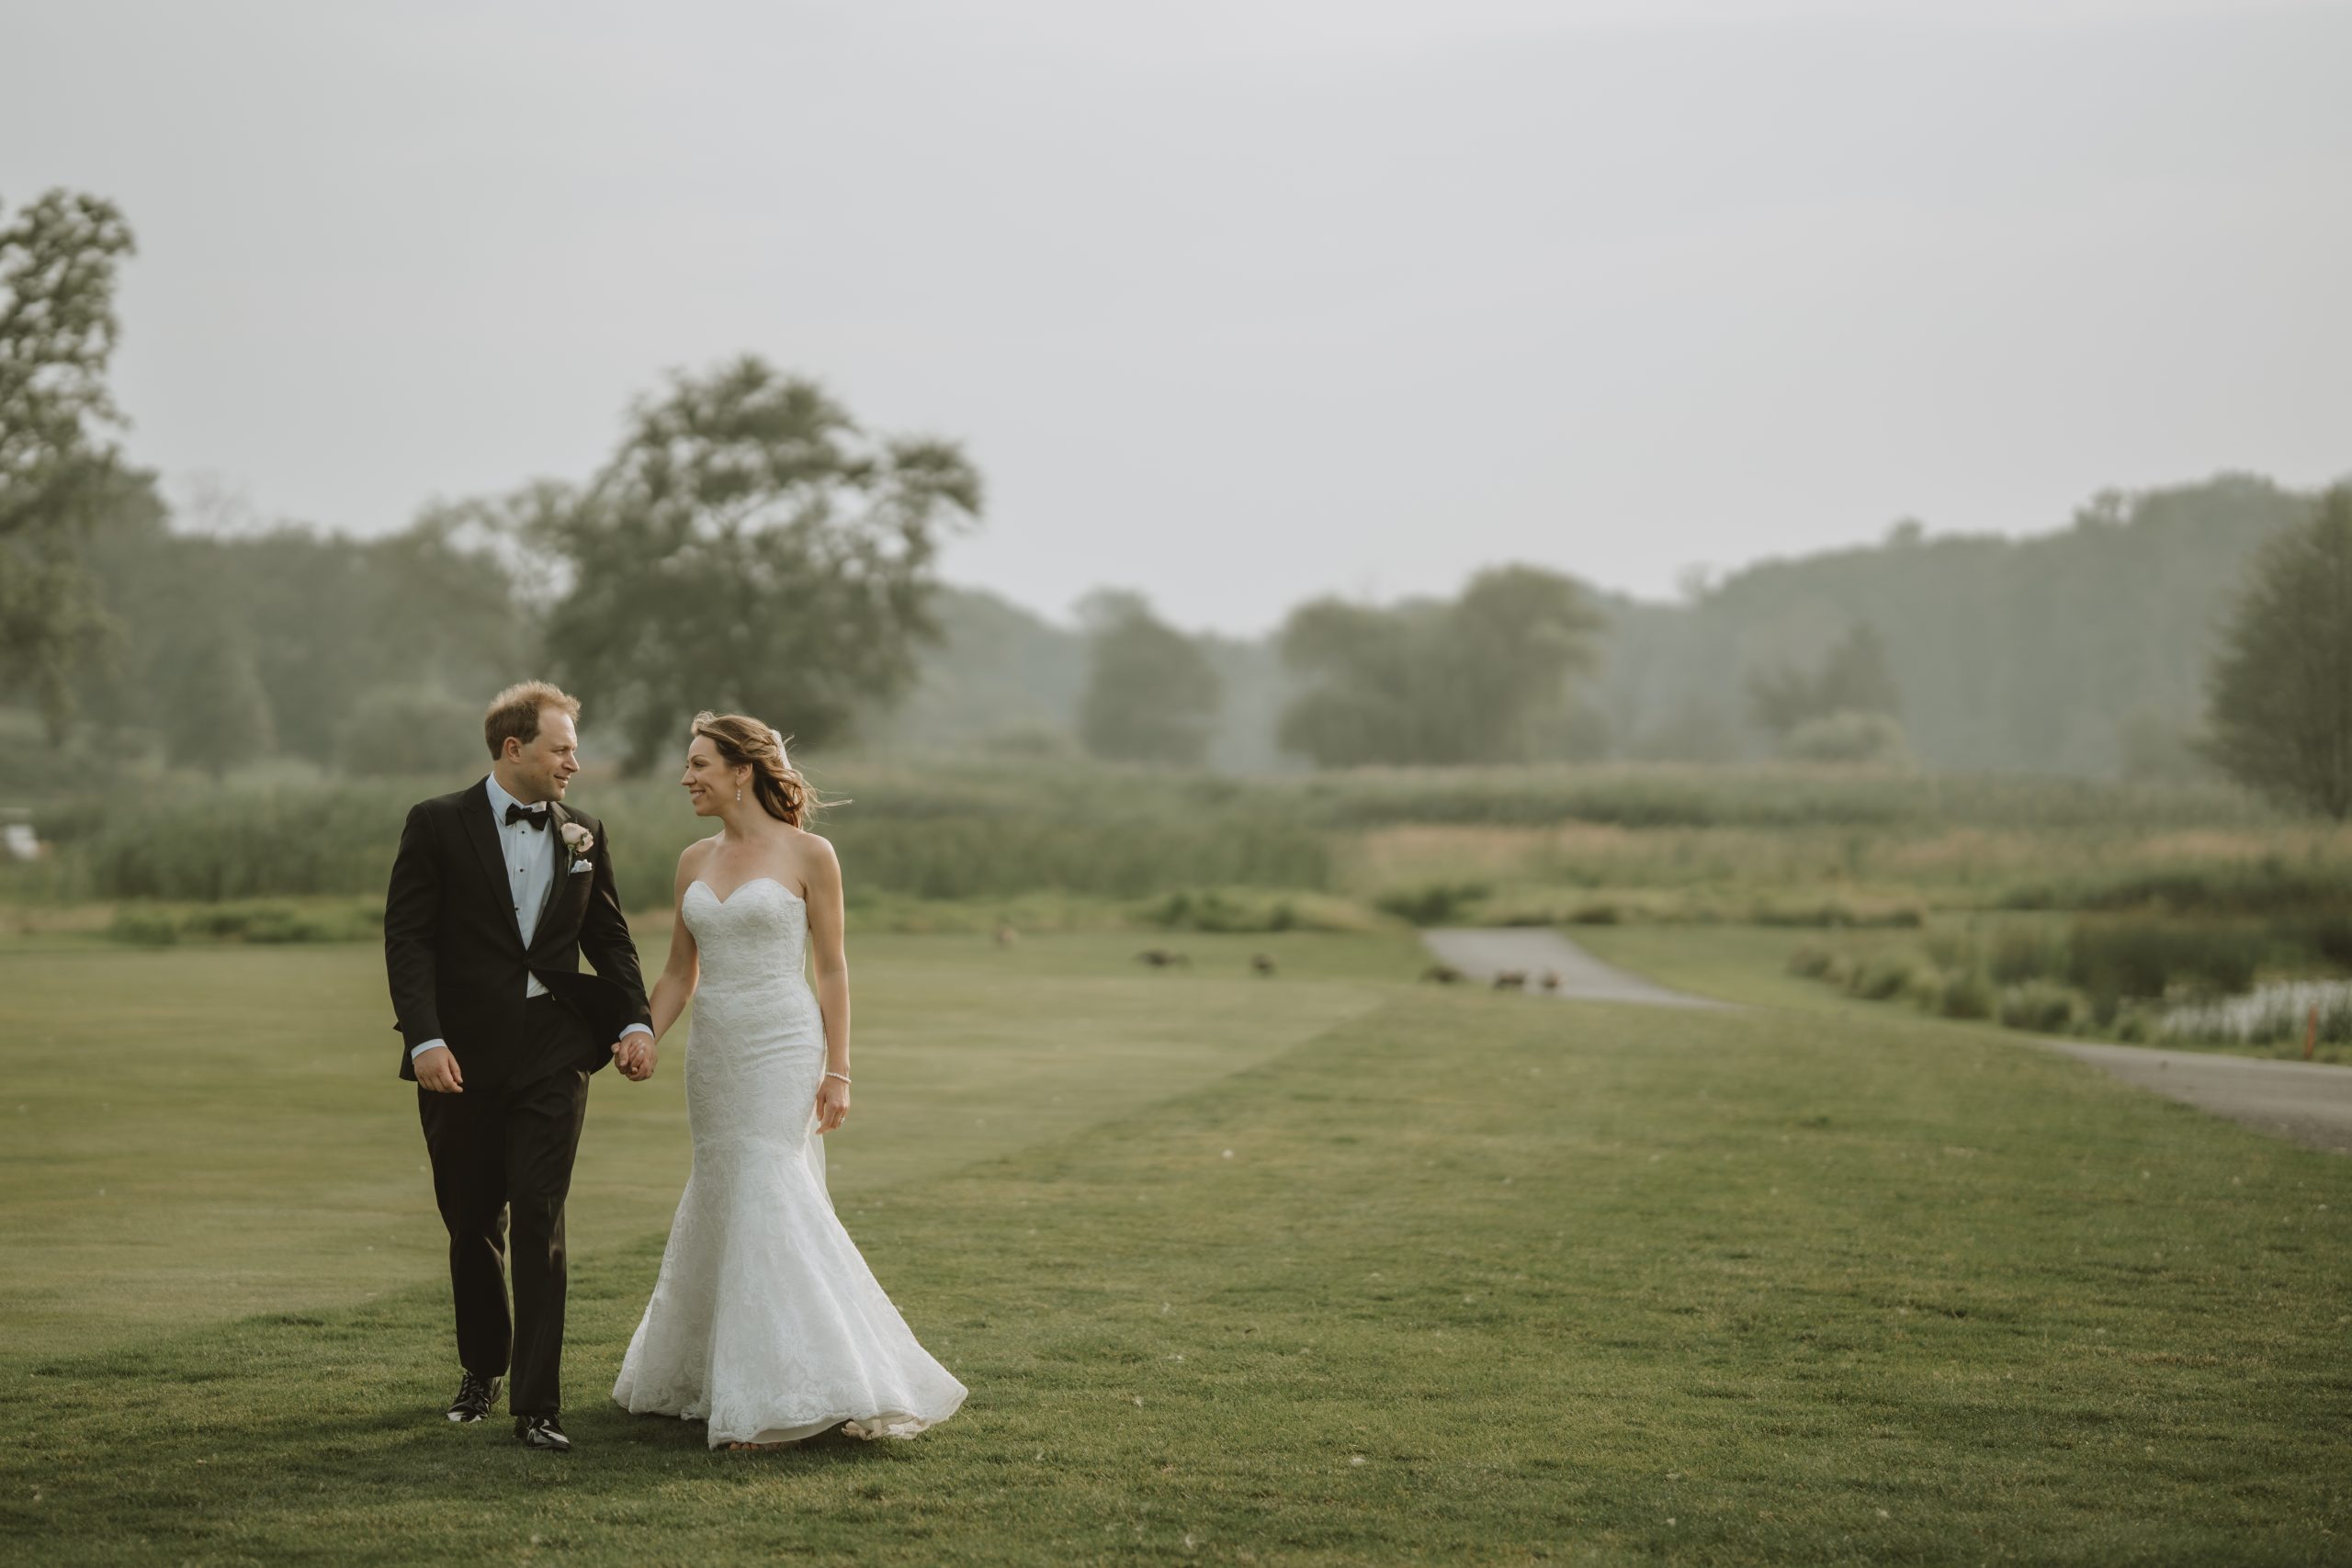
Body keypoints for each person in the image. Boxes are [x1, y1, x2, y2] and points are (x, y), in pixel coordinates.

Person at [611, 711, 967, 1449]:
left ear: (742, 770)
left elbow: (832, 968)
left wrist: (839, 1068)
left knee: (770, 1181)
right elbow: (681, 971)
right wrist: (644, 1031)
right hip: (715, 1050)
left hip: (783, 1040)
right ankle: (721, 1374)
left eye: (700, 763)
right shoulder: (691, 861)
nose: (687, 777)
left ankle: (778, 1397)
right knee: (723, 1185)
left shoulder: (812, 853)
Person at [383, 682, 655, 1452]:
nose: (576, 760)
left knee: (540, 1216)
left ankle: (538, 1404)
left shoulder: (584, 832)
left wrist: (635, 1018)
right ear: (514, 749)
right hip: (458, 1053)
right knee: (473, 1221)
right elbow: (408, 940)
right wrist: (425, 1039)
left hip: (555, 1046)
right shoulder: (436, 823)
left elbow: (610, 938)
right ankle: (483, 1366)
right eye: (562, 747)